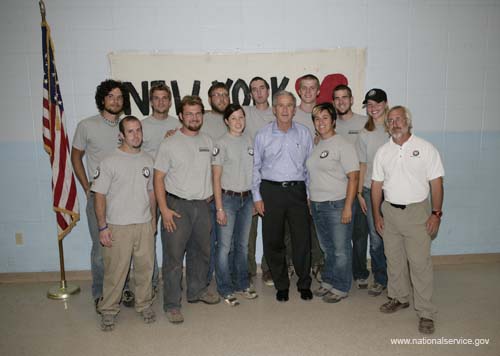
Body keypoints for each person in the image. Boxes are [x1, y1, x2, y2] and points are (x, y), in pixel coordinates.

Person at [371, 105, 444, 334]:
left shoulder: (425, 148)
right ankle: (399, 297)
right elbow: (376, 186)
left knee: (420, 264)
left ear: (408, 122)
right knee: (394, 260)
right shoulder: (383, 152)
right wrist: (377, 215)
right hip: (390, 213)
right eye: (391, 120)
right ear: (387, 125)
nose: (395, 123)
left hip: (417, 213)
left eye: (399, 119)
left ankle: (426, 313)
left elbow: (436, 184)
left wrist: (436, 213)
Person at [154, 95, 220, 324]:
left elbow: (214, 171)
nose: (194, 118)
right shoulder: (169, 143)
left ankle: (197, 291)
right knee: (173, 258)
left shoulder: (208, 141)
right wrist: (164, 209)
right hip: (176, 206)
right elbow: (158, 178)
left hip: (202, 206)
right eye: (189, 114)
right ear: (180, 116)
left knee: (201, 252)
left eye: (198, 113)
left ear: (203, 115)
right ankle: (172, 305)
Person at [71, 79, 135, 311]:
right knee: (101, 249)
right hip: (100, 198)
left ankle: (125, 289)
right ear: (102, 99)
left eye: (119, 97)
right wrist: (87, 187)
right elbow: (75, 157)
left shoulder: (127, 126)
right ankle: (100, 293)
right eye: (111, 97)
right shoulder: (86, 126)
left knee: (124, 247)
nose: (115, 101)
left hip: (126, 198)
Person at [92, 116, 156, 331]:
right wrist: (102, 227)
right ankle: (108, 310)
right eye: (130, 131)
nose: (136, 135)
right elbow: (99, 196)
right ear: (121, 135)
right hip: (117, 226)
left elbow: (151, 193)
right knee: (115, 272)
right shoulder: (109, 161)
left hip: (144, 224)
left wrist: (153, 220)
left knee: (145, 269)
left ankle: (144, 304)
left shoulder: (148, 160)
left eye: (138, 130)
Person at [252, 90, 313, 302]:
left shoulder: (304, 133)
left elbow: (309, 167)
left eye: (289, 106)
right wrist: (257, 197)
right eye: (281, 105)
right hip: (271, 191)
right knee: (273, 240)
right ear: (274, 109)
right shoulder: (263, 135)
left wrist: (308, 194)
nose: (285, 110)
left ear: (294, 110)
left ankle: (304, 282)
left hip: (297, 191)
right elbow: (255, 168)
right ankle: (281, 284)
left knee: (302, 240)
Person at [306, 103, 359, 303]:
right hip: (318, 205)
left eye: (325, 118)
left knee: (340, 248)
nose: (321, 122)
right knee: (327, 248)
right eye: (317, 119)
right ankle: (328, 281)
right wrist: (311, 200)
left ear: (333, 121)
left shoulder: (342, 145)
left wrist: (347, 207)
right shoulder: (317, 144)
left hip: (337, 204)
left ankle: (341, 286)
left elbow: (353, 177)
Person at [243, 76, 291, 287]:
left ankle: (271, 268)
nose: (259, 92)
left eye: (262, 88)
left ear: (268, 91)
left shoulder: (279, 112)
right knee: (248, 228)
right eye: (254, 89)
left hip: (273, 179)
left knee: (275, 229)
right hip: (250, 178)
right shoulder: (244, 113)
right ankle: (247, 270)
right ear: (250, 93)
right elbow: (219, 114)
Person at [212, 104, 258, 306]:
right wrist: (220, 208)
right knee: (224, 247)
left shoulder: (249, 140)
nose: (238, 122)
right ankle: (225, 287)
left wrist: (256, 198)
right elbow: (216, 178)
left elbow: (255, 172)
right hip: (228, 199)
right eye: (233, 118)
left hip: (247, 199)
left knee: (242, 245)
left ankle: (242, 283)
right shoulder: (221, 143)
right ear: (226, 121)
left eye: (241, 117)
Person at [141, 83, 181, 296]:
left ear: (170, 101)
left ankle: (171, 280)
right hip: (146, 192)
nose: (161, 102)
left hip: (171, 192)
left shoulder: (178, 124)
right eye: (156, 98)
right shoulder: (141, 126)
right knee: (148, 237)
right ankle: (150, 282)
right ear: (151, 101)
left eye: (165, 98)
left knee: (171, 239)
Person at [332, 84, 370, 289]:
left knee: (360, 234)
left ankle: (361, 271)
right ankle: (341, 272)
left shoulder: (365, 123)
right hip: (336, 189)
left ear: (352, 99)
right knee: (340, 236)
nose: (341, 101)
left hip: (358, 189)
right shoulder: (328, 123)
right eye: (337, 98)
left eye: (344, 97)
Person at [356, 88, 390, 296]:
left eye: (377, 104)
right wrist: (360, 192)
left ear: (385, 103)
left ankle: (398, 278)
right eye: (369, 105)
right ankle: (380, 278)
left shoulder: (394, 128)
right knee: (376, 238)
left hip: (395, 192)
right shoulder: (364, 133)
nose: (373, 108)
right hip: (370, 190)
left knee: (395, 237)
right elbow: (362, 164)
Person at [201, 82, 231, 285]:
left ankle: (226, 277)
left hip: (231, 192)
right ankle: (206, 279)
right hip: (208, 192)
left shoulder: (235, 119)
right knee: (208, 241)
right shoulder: (201, 119)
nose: (221, 98)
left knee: (228, 242)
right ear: (210, 99)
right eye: (216, 95)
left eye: (224, 94)